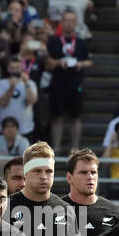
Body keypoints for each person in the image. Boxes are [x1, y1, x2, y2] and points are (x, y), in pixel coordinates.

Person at [47, 10, 92, 153]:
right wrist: (58, 62)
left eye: (72, 20)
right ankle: (57, 147)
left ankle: (76, 147)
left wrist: (80, 64)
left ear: (76, 23)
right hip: (57, 83)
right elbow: (47, 63)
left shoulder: (81, 43)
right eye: (66, 20)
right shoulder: (53, 41)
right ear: (61, 22)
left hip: (75, 83)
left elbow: (89, 62)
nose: (69, 23)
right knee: (57, 117)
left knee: (75, 117)